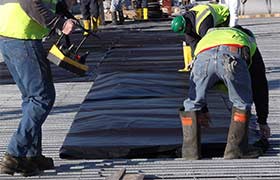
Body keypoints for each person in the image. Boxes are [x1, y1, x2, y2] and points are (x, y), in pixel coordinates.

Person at [0, 0, 76, 176]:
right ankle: (14, 153)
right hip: (23, 36)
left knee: (31, 98)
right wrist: (60, 22)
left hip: (9, 34)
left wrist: (61, 9)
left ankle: (31, 156)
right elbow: (29, 2)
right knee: (43, 97)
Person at [179, 25, 271, 160]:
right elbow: (259, 85)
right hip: (232, 55)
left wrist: (202, 110)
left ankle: (190, 153)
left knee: (193, 103)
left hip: (203, 56)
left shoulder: (207, 38)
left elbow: (198, 81)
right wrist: (262, 121)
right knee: (241, 102)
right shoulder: (248, 41)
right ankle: (235, 151)